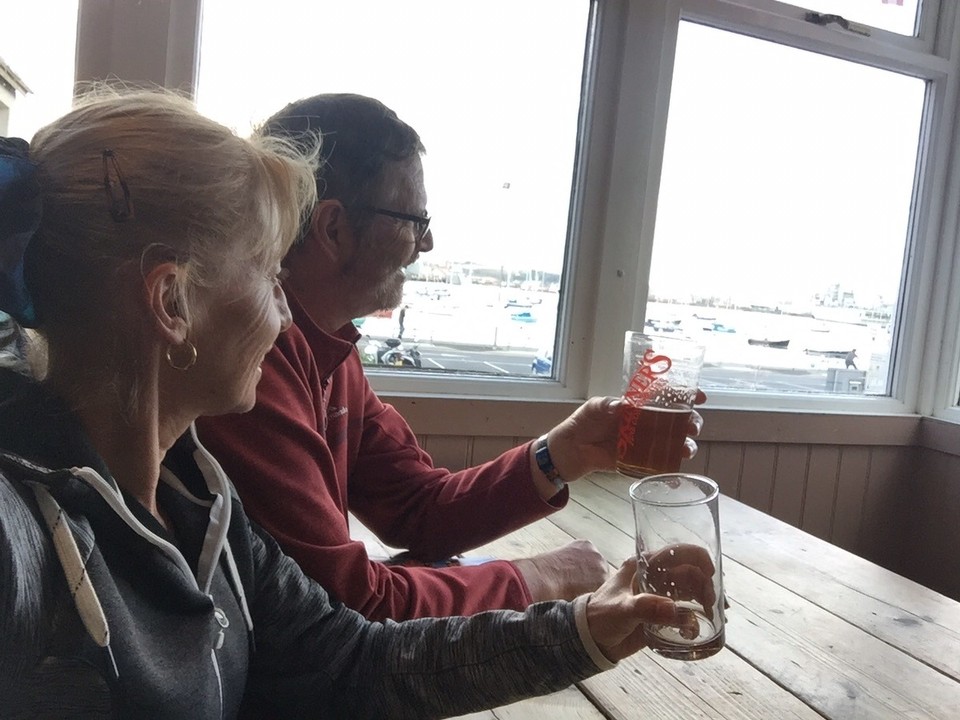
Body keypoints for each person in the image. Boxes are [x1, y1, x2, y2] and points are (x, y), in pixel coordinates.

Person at [0, 88, 716, 719]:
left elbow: (350, 658)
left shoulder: (200, 494)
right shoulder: (21, 541)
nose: (283, 313)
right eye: (263, 269)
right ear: (171, 301)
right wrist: (551, 587)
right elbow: (361, 609)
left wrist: (589, 625)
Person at [197, 94, 707, 620]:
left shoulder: (333, 349)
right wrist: (544, 575)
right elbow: (349, 603)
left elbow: (418, 510)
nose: (428, 242)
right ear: (333, 230)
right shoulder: (252, 364)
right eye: (414, 220)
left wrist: (562, 453)